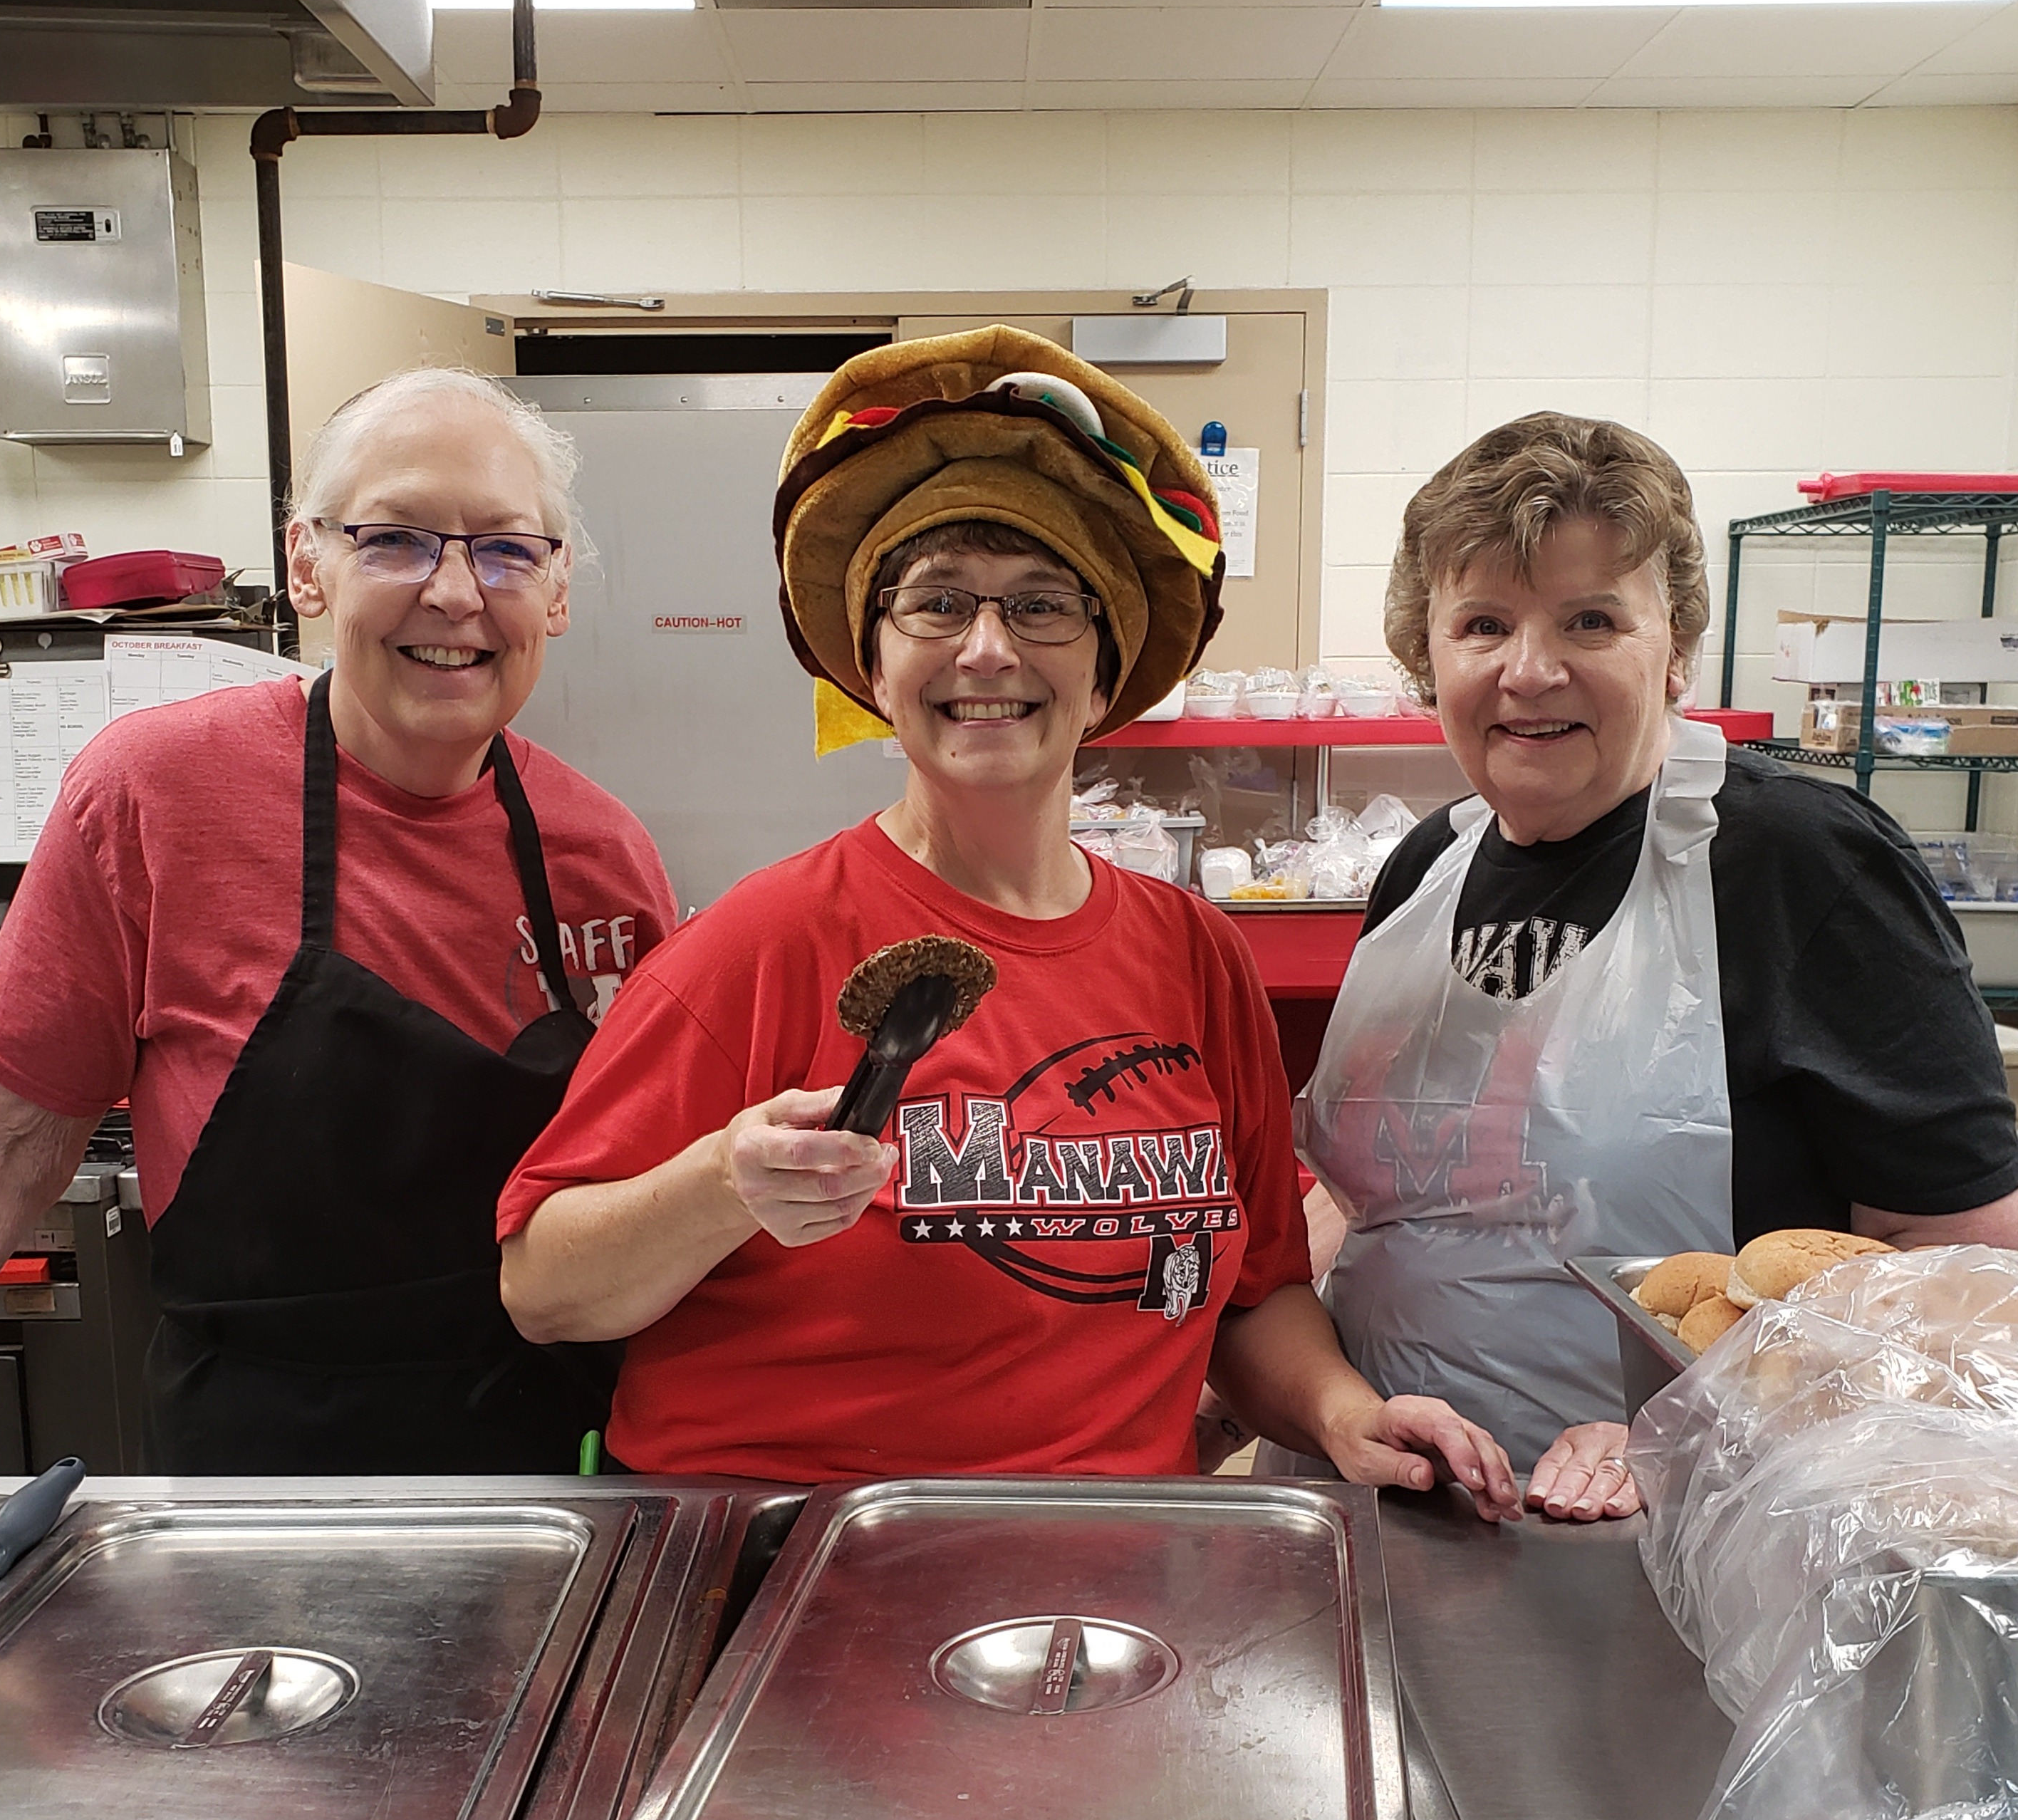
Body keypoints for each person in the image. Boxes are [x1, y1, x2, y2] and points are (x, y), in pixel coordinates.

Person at [497, 325, 1517, 1513]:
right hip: (784, 1572)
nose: (988, 648)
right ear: (871, 666)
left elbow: (1251, 1295)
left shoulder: (1192, 956)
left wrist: (1347, 1417)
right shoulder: (761, 944)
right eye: (935, 603)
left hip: (1104, 1574)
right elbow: (543, 1287)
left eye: (1042, 606)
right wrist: (726, 1183)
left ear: (1104, 670)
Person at [0, 367, 673, 1473]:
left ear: (558, 587)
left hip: (545, 1481)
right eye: (395, 538)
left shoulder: (605, 858)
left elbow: (645, 1198)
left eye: (505, 548)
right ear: (308, 565)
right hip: (252, 1489)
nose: (454, 593)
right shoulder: (158, 793)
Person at [1297, 410, 2018, 1522]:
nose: (1530, 672)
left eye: (1590, 620)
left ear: (1675, 645)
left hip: (1683, 1535)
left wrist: (1703, 1422)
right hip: (1386, 1499)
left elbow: (1970, 1276)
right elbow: (1391, 1192)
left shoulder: (1797, 863)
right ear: (1424, 654)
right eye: (1483, 624)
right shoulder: (1427, 867)